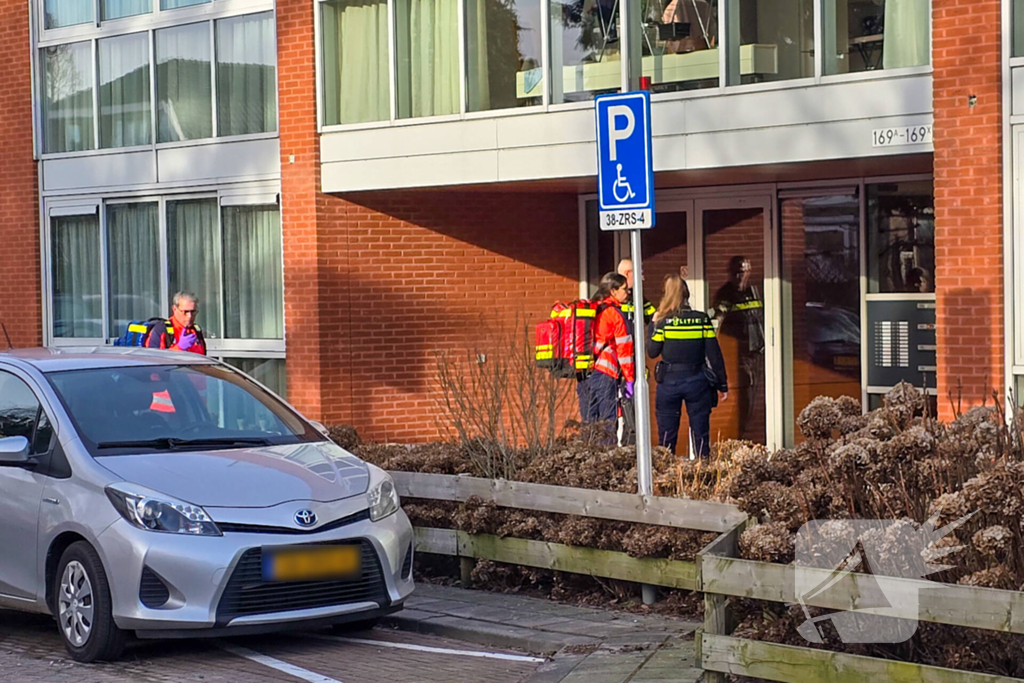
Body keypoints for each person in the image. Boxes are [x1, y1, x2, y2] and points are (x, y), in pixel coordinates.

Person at [648, 274, 727, 457]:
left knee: (667, 439)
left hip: (669, 383)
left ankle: (667, 478)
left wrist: (653, 324)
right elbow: (714, 354)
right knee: (701, 435)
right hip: (697, 382)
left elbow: (652, 352)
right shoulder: (701, 320)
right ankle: (703, 477)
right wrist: (722, 384)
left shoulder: (663, 322)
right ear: (687, 294)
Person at [712, 256, 763, 441]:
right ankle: (736, 435)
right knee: (742, 396)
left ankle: (745, 433)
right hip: (737, 353)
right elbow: (718, 322)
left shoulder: (752, 291)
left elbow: (759, 319)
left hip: (755, 351)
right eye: (739, 272)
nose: (743, 276)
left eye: (746, 271)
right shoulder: (725, 294)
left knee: (752, 395)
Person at [586, 273, 635, 444]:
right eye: (624, 290)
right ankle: (606, 465)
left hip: (585, 373)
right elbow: (625, 351)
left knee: (590, 424)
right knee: (607, 424)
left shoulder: (593, 308)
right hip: (606, 373)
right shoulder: (614, 314)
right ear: (613, 291)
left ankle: (587, 462)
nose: (628, 293)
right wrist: (630, 380)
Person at [616, 259, 654, 446]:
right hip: (617, 368)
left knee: (634, 412)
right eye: (640, 272)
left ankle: (632, 450)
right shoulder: (613, 300)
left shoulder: (640, 299)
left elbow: (654, 318)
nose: (643, 276)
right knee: (622, 413)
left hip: (633, 365)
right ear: (629, 274)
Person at [146, 291, 207, 356]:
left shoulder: (196, 330)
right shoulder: (161, 329)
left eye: (193, 312)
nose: (190, 316)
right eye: (185, 312)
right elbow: (154, 359)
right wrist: (179, 348)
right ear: (174, 309)